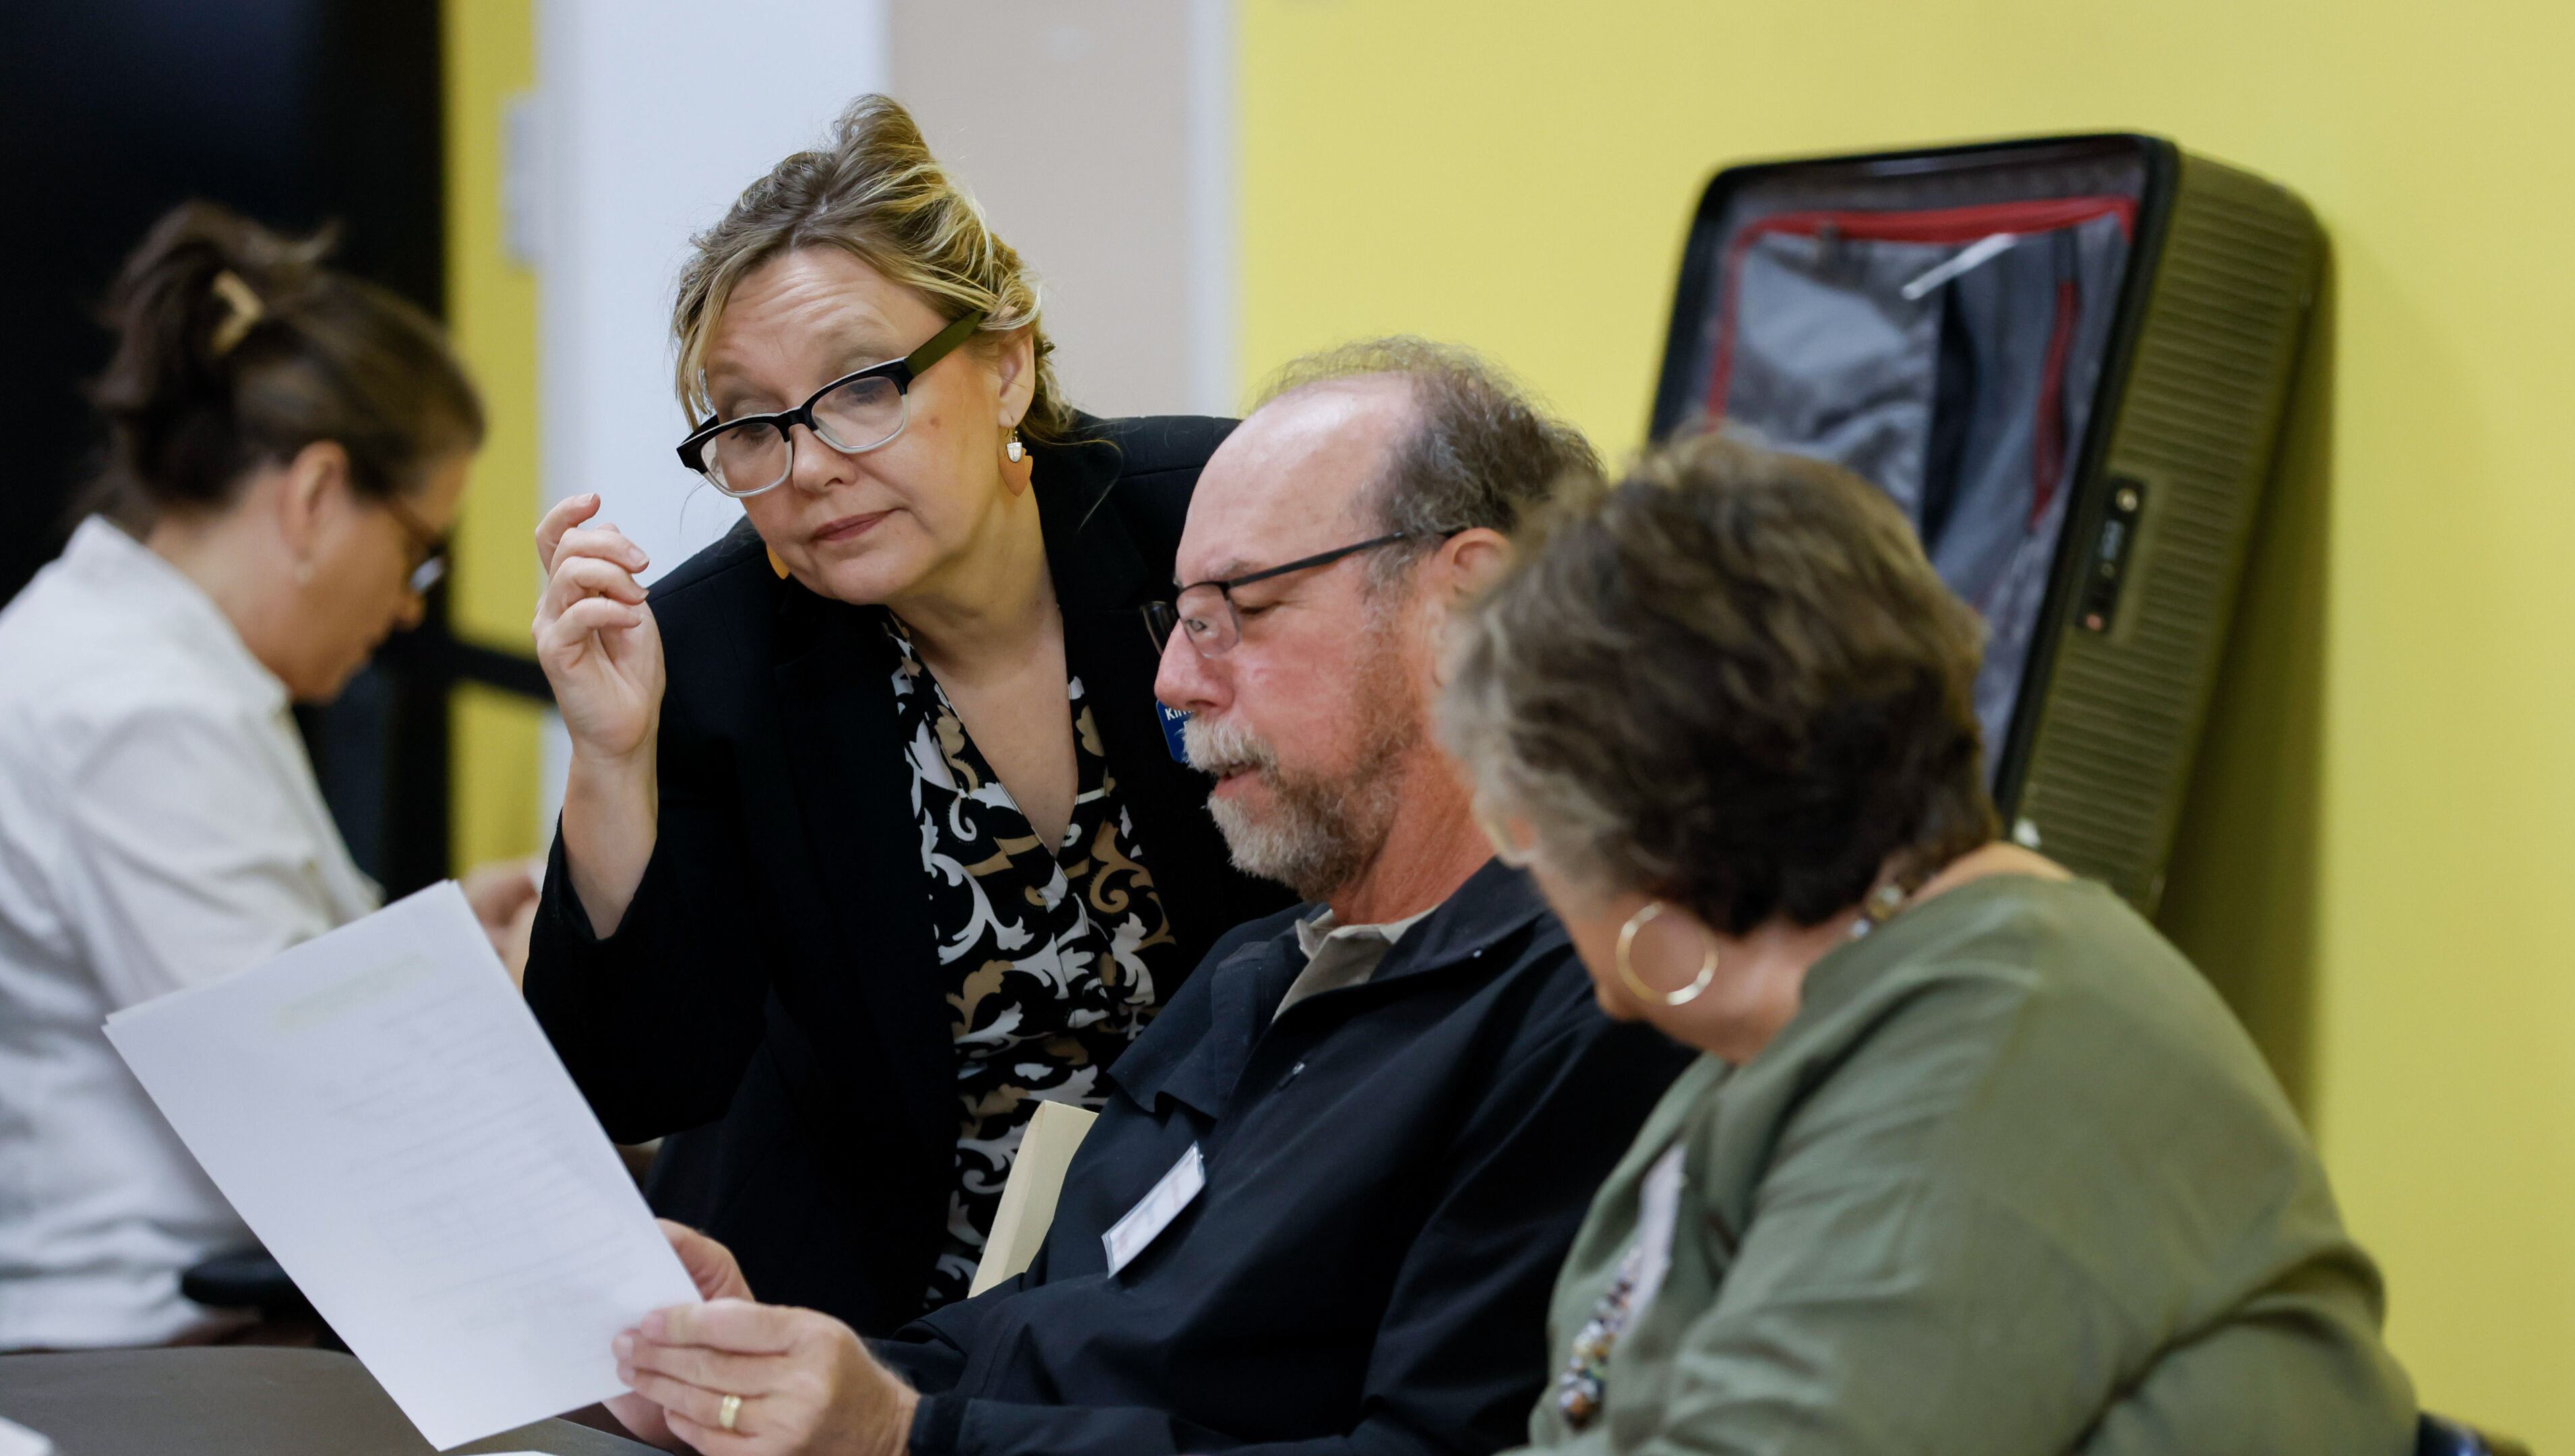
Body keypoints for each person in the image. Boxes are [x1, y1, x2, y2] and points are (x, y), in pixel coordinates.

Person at [601, 339, 1693, 1456]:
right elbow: (1036, 1336)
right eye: (1183, 616)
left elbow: (1426, 1447)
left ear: (1464, 605)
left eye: (1243, 611)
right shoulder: (1255, 974)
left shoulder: (1591, 1007)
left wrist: (901, 1438)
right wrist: (758, 1364)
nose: (1172, 680)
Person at [1435, 435, 2417, 1453]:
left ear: (1649, 843)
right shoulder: (1837, 1017)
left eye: (1522, 823)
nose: (1525, 866)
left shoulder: (2007, 1039)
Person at [521, 92, 1292, 1335]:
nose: (809, 462)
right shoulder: (710, 654)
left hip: (1237, 1257)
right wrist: (613, 760)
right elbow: (638, 1080)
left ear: (1004, 363)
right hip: (880, 1306)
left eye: (861, 388)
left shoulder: (1212, 527)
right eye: (751, 424)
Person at [0, 202, 536, 1350]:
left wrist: (431, 937)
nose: (405, 606)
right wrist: (502, 994)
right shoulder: (134, 710)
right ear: (311, 497)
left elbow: (260, 984)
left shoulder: (161, 670)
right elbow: (320, 1102)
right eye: (417, 551)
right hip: (135, 1358)